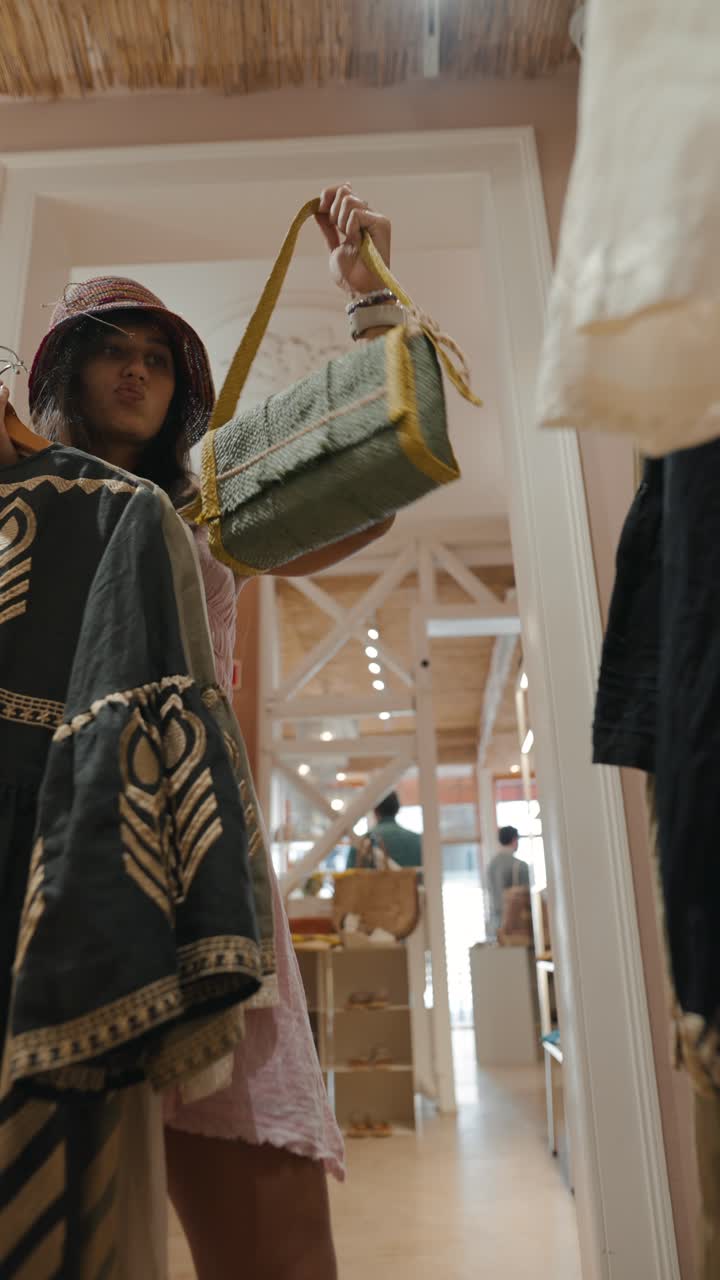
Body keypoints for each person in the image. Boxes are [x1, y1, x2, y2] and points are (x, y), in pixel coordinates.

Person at [0, 183, 397, 1280]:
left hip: (197, 871)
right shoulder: (12, 503)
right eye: (111, 349)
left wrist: (372, 302)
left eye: (160, 358)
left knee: (274, 1249)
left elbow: (370, 490)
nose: (136, 369)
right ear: (59, 368)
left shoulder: (203, 508)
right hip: (29, 873)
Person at [347, 791, 422, 870]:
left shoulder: (362, 842)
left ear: (375, 810)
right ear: (397, 809)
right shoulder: (419, 840)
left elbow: (348, 877)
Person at [487, 825, 530, 938]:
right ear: (515, 840)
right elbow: (526, 897)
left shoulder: (492, 865)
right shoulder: (520, 866)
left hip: (495, 924)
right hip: (515, 926)